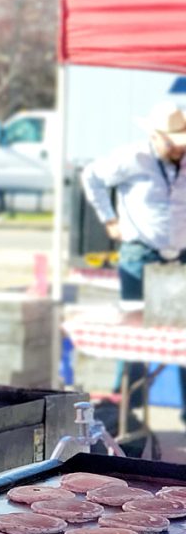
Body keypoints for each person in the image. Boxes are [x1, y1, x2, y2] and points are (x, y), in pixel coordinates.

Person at [80, 101, 186, 423]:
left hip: (175, 256)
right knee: (134, 334)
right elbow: (92, 177)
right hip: (140, 254)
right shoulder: (132, 158)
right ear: (156, 137)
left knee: (178, 336)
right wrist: (109, 218)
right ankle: (125, 411)